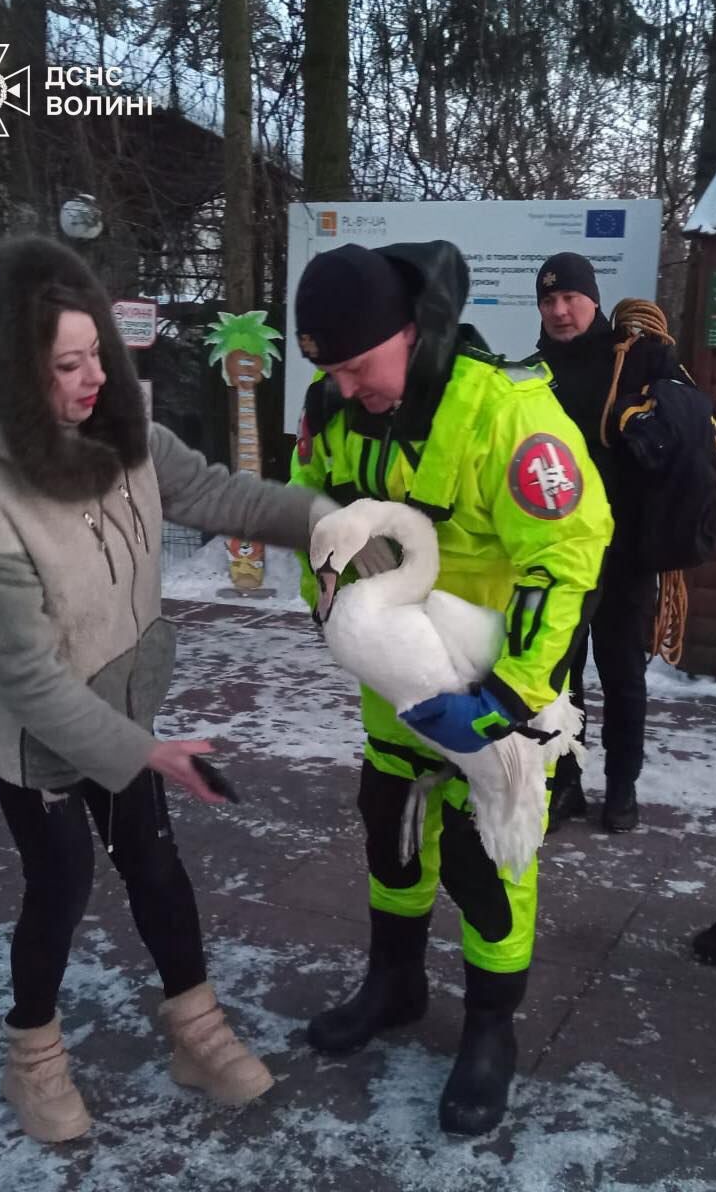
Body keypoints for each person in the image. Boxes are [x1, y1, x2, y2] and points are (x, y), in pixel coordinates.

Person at [0, 235, 328, 1144]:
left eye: (95, 355)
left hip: (119, 699)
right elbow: (26, 675)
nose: (92, 379)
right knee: (63, 879)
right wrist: (143, 753)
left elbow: (220, 495)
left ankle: (195, 1029)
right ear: (11, 373)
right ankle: (32, 1056)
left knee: (152, 858)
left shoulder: (123, 434)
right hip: (35, 733)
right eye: (67, 365)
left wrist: (329, 523)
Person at [288, 241, 613, 1136]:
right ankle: (393, 984)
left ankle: (488, 1031)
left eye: (358, 365)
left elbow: (570, 550)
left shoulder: (506, 412)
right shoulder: (333, 407)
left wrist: (511, 693)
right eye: (331, 371)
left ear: (413, 331)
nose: (346, 389)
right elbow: (310, 512)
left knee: (485, 860)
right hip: (393, 691)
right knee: (390, 832)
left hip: (492, 697)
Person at [534, 253, 692, 833]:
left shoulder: (634, 357)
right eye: (548, 301)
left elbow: (682, 422)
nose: (559, 310)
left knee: (623, 674)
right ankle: (566, 783)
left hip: (624, 554)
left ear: (593, 299)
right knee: (559, 676)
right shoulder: (534, 373)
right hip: (558, 554)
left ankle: (621, 787)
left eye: (570, 298)